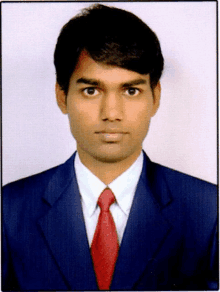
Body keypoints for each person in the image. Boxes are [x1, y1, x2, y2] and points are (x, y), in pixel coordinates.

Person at [2, 4, 217, 291]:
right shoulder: (9, 211)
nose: (111, 113)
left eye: (131, 90)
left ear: (155, 97)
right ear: (62, 96)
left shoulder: (209, 211)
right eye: (91, 90)